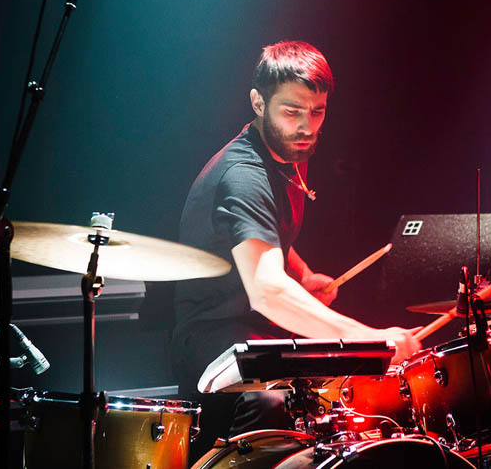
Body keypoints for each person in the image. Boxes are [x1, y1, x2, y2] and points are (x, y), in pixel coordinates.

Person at [171, 40, 420, 461]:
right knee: (275, 404)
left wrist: (302, 275)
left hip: (254, 329)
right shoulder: (243, 175)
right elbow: (267, 291)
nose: (307, 126)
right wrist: (370, 339)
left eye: (317, 111)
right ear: (257, 102)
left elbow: (265, 236)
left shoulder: (289, 149)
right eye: (292, 111)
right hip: (211, 337)